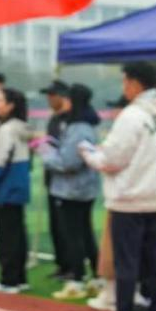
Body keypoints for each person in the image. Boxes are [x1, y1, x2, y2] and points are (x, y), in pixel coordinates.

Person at [81, 61, 156, 311]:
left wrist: (89, 154)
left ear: (135, 83)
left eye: (125, 82)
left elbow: (112, 159)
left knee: (126, 264)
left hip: (129, 199)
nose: (123, 87)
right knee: (155, 264)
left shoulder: (132, 115)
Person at [36, 83, 101, 299]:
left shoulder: (78, 128)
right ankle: (96, 278)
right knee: (85, 233)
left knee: (73, 235)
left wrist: (45, 152)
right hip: (84, 188)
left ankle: (76, 281)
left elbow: (68, 162)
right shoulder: (87, 125)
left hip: (71, 189)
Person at [0, 88, 32, 293]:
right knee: (17, 233)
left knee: (6, 236)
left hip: (5, 188)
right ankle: (19, 278)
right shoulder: (21, 127)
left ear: (10, 106)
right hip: (18, 186)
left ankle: (8, 280)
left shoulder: (6, 130)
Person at [39, 79, 71, 278]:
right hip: (52, 177)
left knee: (66, 226)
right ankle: (62, 263)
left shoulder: (69, 120)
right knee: (55, 225)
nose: (49, 99)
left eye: (52, 95)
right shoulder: (53, 119)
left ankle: (72, 266)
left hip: (66, 180)